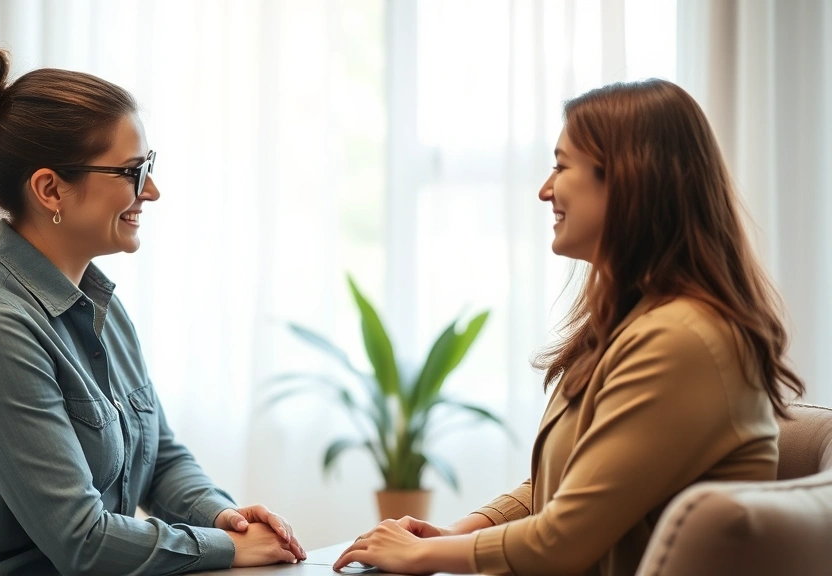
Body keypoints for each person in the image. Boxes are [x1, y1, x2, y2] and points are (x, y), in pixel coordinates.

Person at [334, 78, 806, 576]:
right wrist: (459, 531)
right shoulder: (639, 324)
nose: (545, 189)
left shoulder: (682, 340)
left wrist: (421, 555)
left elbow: (561, 540)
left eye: (561, 165)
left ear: (627, 180)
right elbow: (569, 492)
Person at [0, 45, 306, 575]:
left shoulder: (103, 307)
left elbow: (161, 457)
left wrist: (225, 518)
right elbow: (81, 539)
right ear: (51, 189)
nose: (151, 190)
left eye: (148, 165)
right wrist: (225, 549)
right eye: (131, 171)